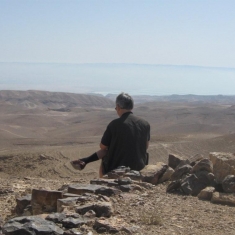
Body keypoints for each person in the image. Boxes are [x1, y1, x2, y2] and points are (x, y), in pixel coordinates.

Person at [70, 92, 150, 177]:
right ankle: (85, 161)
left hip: (117, 169)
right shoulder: (145, 124)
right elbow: (146, 146)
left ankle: (100, 178)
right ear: (132, 107)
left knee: (106, 151)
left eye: (116, 107)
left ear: (118, 107)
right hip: (139, 167)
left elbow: (103, 147)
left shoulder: (114, 124)